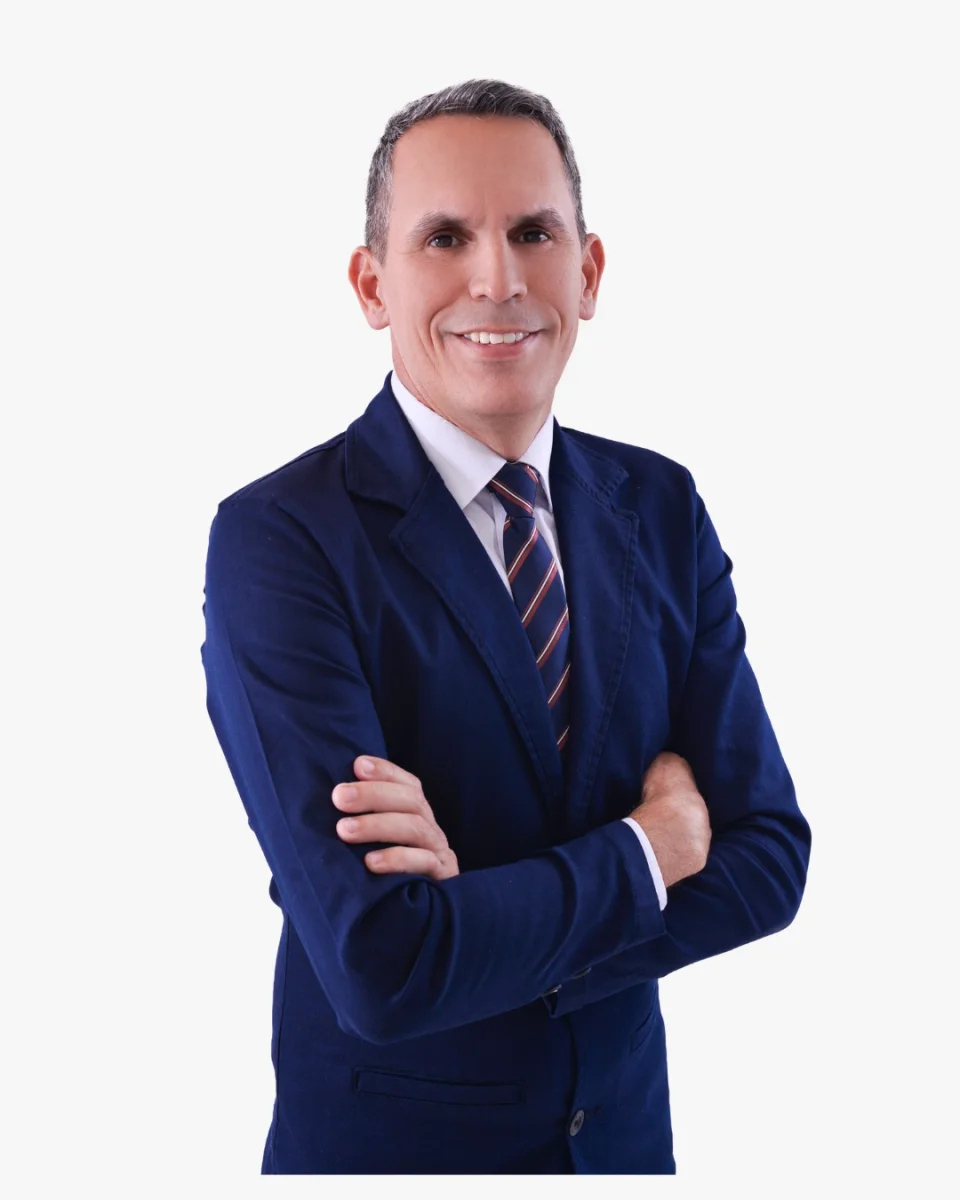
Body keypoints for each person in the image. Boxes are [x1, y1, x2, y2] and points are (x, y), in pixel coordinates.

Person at [200, 78, 811, 1175]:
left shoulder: (660, 506)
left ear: (589, 271)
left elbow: (768, 859)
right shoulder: (281, 540)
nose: (499, 279)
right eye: (445, 238)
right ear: (372, 284)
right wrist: (652, 850)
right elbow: (384, 966)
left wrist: (481, 932)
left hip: (621, 1151)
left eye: (534, 232)